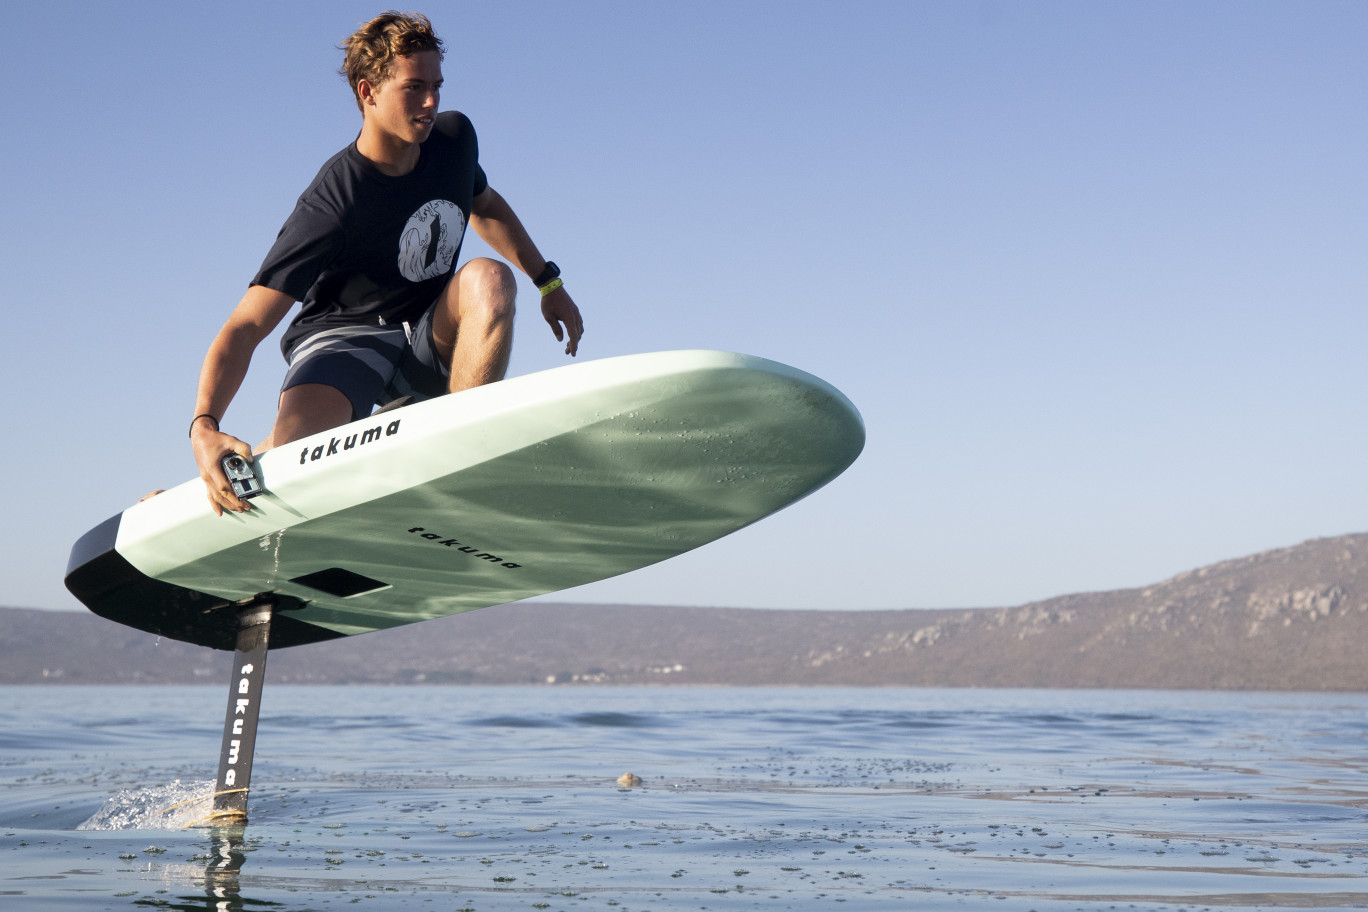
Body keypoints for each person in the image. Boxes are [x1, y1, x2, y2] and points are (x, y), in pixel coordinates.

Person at [186, 11, 583, 516]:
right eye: (414, 87)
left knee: (491, 278)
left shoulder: (453, 142)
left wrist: (549, 282)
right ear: (367, 92)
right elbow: (245, 324)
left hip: (426, 333)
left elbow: (484, 204)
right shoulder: (332, 203)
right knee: (290, 465)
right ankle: (206, 490)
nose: (432, 102)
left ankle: (458, 456)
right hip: (346, 337)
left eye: (437, 85)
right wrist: (205, 426)